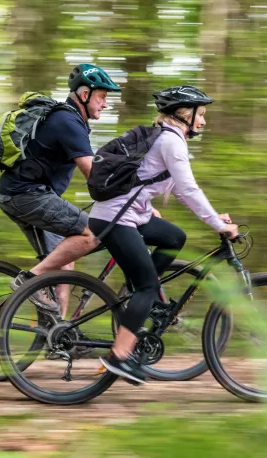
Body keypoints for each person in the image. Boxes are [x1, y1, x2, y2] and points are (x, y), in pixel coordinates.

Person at [88, 85, 238, 384]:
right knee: (148, 287)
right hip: (116, 220)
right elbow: (188, 188)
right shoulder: (172, 142)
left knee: (174, 237)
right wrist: (218, 225)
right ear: (185, 114)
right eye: (201, 115)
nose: (203, 122)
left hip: (131, 216)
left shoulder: (168, 139)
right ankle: (119, 356)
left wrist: (214, 214)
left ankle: (137, 290)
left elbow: (180, 191)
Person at [0, 64, 121, 317]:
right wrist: (130, 200)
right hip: (28, 195)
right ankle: (30, 280)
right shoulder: (67, 121)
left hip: (23, 195)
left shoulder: (70, 120)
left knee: (66, 258)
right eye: (102, 97)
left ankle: (57, 332)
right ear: (84, 95)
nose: (105, 104)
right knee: (93, 234)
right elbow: (93, 174)